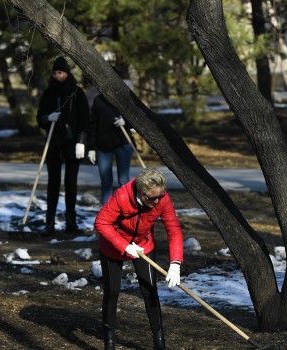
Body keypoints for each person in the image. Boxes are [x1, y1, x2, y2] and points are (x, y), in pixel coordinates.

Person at [94, 168, 183, 350]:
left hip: (144, 245)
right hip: (113, 246)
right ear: (141, 193)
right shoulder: (122, 197)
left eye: (160, 196)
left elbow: (173, 229)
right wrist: (125, 246)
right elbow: (101, 222)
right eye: (152, 198)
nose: (157, 201)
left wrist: (175, 263)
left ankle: (159, 342)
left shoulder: (161, 199)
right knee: (112, 292)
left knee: (150, 290)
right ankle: (109, 341)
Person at [36, 56, 90, 234]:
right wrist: (47, 118)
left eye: (60, 72)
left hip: (72, 143)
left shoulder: (76, 92)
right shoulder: (49, 93)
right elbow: (40, 117)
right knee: (53, 183)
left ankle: (71, 222)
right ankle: (49, 223)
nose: (57, 75)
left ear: (67, 73)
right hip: (53, 143)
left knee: (71, 184)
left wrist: (82, 142)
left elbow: (84, 119)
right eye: (54, 72)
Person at [88, 80, 135, 204]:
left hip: (122, 143)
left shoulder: (123, 100)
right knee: (106, 181)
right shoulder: (98, 101)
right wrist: (91, 147)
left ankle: (126, 210)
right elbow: (93, 124)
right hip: (103, 146)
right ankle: (107, 214)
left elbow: (135, 118)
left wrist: (125, 121)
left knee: (124, 181)